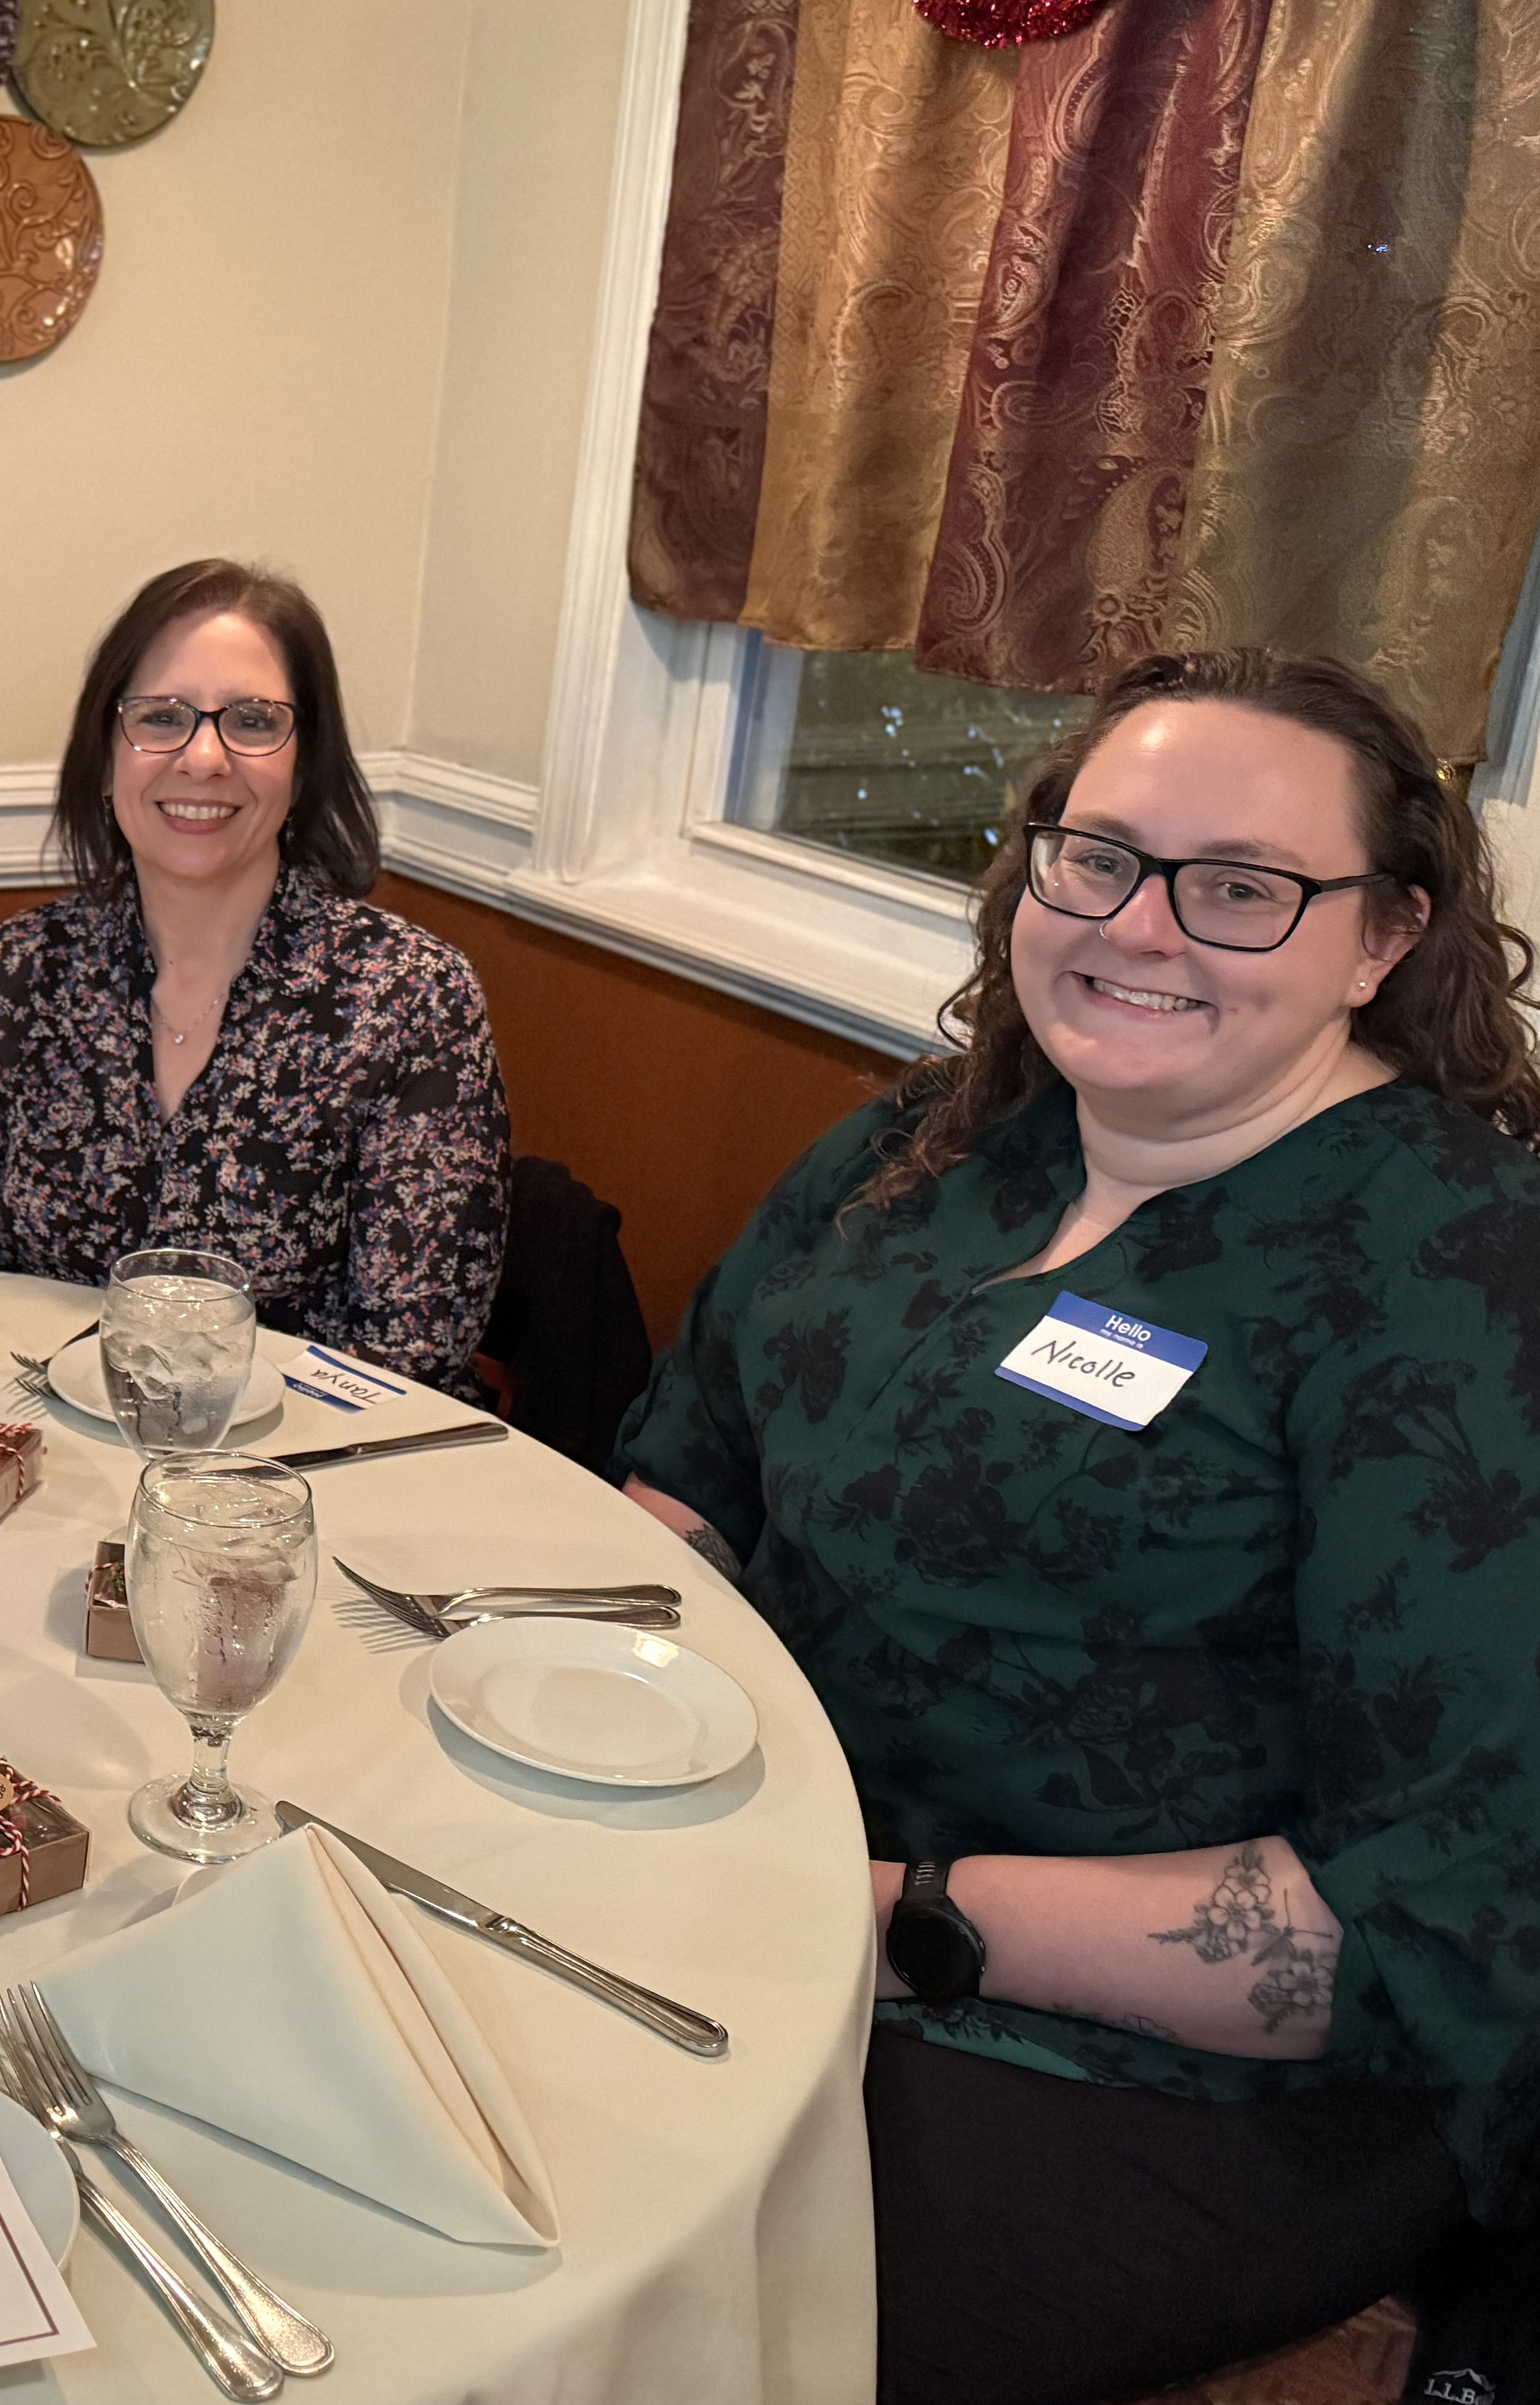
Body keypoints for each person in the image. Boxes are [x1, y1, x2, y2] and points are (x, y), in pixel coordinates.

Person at [614, 650, 1540, 2405]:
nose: (1137, 924)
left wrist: (884, 1907)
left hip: (1159, 2072)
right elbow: (695, 1464)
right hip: (752, 1875)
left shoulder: (1451, 1281)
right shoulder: (937, 1142)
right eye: (1094, 852)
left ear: (1382, 936)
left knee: (654, 2305)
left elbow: (1433, 1920)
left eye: (1242, 888)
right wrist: (583, 1728)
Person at [0, 561, 509, 1389]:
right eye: (161, 717)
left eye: (253, 720)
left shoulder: (410, 998)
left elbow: (410, 1363)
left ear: (305, 763)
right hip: (46, 1463)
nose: (203, 757)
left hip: (303, 1483)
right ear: (105, 755)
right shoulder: (17, 974)